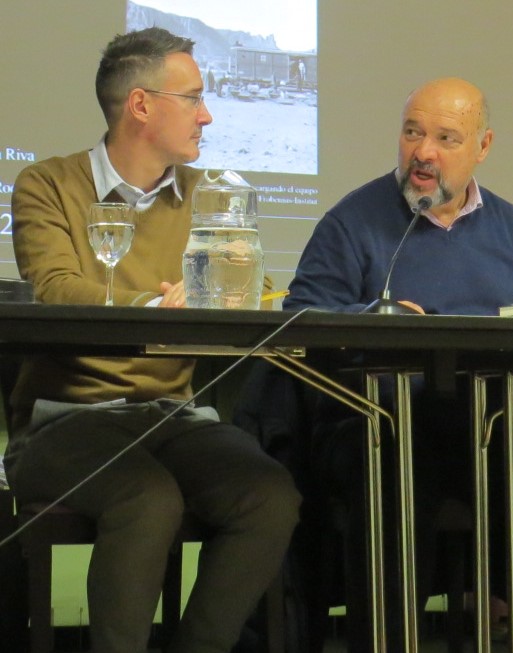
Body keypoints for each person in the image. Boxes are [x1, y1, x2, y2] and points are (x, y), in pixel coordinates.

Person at [283, 76, 513, 653]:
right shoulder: (352, 221)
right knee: (403, 466)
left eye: (445, 138)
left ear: (482, 147)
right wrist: (371, 318)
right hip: (380, 429)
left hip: (495, 430)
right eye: (413, 133)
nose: (424, 153)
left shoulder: (512, 227)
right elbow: (299, 322)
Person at [4, 27, 300, 653]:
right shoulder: (47, 184)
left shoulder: (209, 195)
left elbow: (256, 291)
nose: (207, 114)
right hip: (65, 421)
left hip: (170, 418)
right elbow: (57, 288)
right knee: (147, 497)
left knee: (269, 496)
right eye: (193, 97)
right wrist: (152, 306)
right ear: (141, 106)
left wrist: (239, 291)